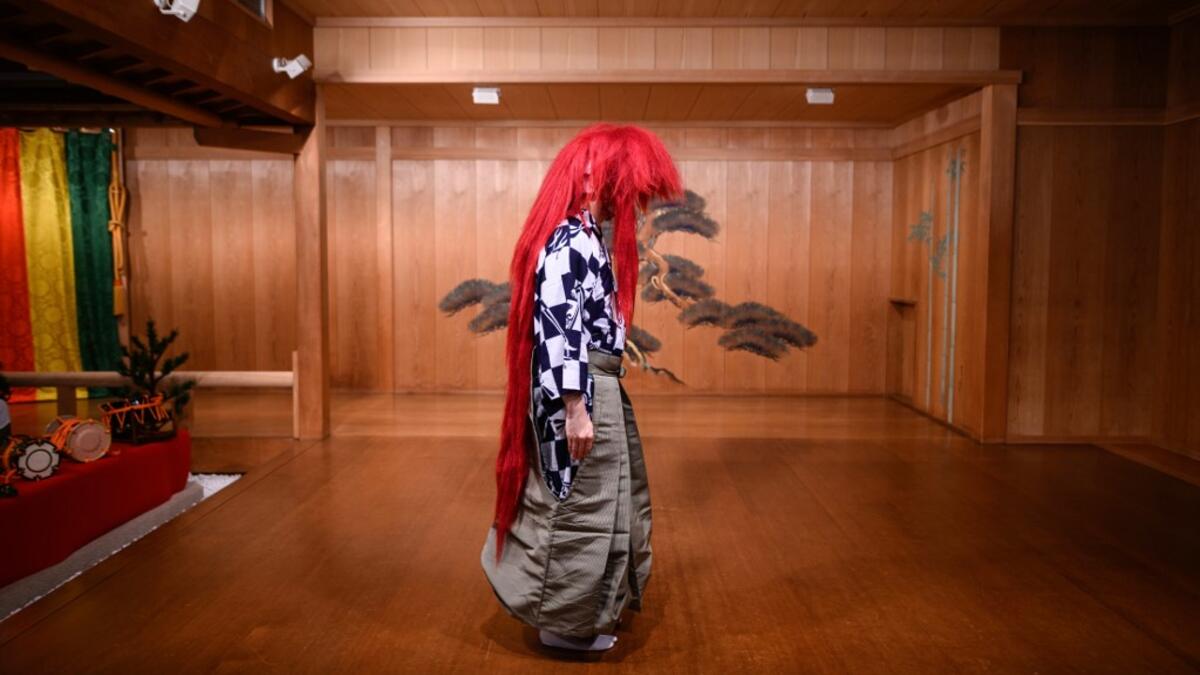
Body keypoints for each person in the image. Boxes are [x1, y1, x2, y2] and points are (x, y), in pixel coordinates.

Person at [481, 124, 681, 652]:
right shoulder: (570, 241)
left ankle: (581, 612)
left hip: (594, 384)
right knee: (576, 501)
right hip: (579, 388)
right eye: (628, 187)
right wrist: (575, 408)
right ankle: (563, 622)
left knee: (597, 497)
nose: (633, 203)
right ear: (595, 179)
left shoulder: (587, 238)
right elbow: (559, 329)